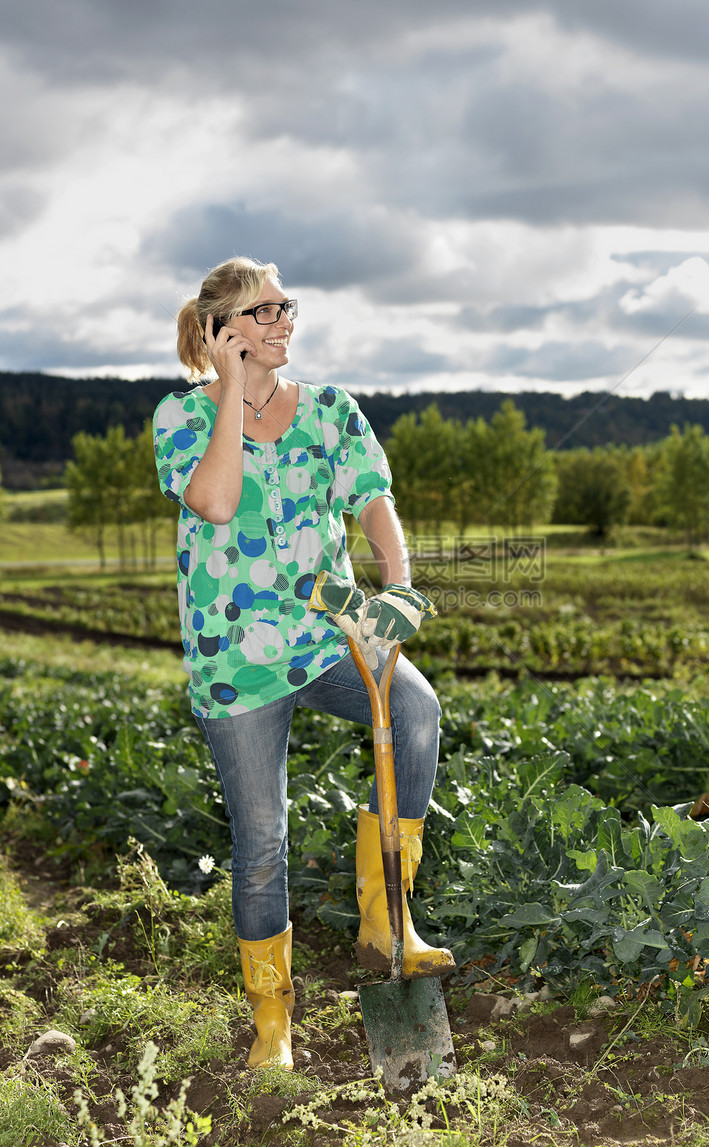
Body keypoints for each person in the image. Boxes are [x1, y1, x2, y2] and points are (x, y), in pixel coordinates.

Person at [152, 256, 454, 1071]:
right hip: (233, 654)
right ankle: (273, 1023)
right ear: (224, 331)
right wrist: (227, 393)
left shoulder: (329, 411)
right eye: (266, 311)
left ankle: (387, 916)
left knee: (418, 709)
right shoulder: (180, 418)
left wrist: (398, 587)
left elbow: (372, 501)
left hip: (328, 630)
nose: (286, 320)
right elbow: (215, 500)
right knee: (260, 843)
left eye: (289, 306)